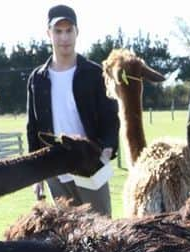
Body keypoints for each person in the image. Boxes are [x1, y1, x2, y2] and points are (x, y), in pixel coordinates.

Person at [25, 4, 119, 216]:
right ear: (48, 34)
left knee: (102, 233)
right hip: (55, 169)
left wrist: (106, 150)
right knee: (69, 236)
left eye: (69, 31)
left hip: (90, 166)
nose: (64, 37)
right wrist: (35, 174)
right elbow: (33, 128)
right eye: (58, 31)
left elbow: (110, 119)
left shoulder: (95, 74)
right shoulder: (37, 79)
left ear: (77, 32)